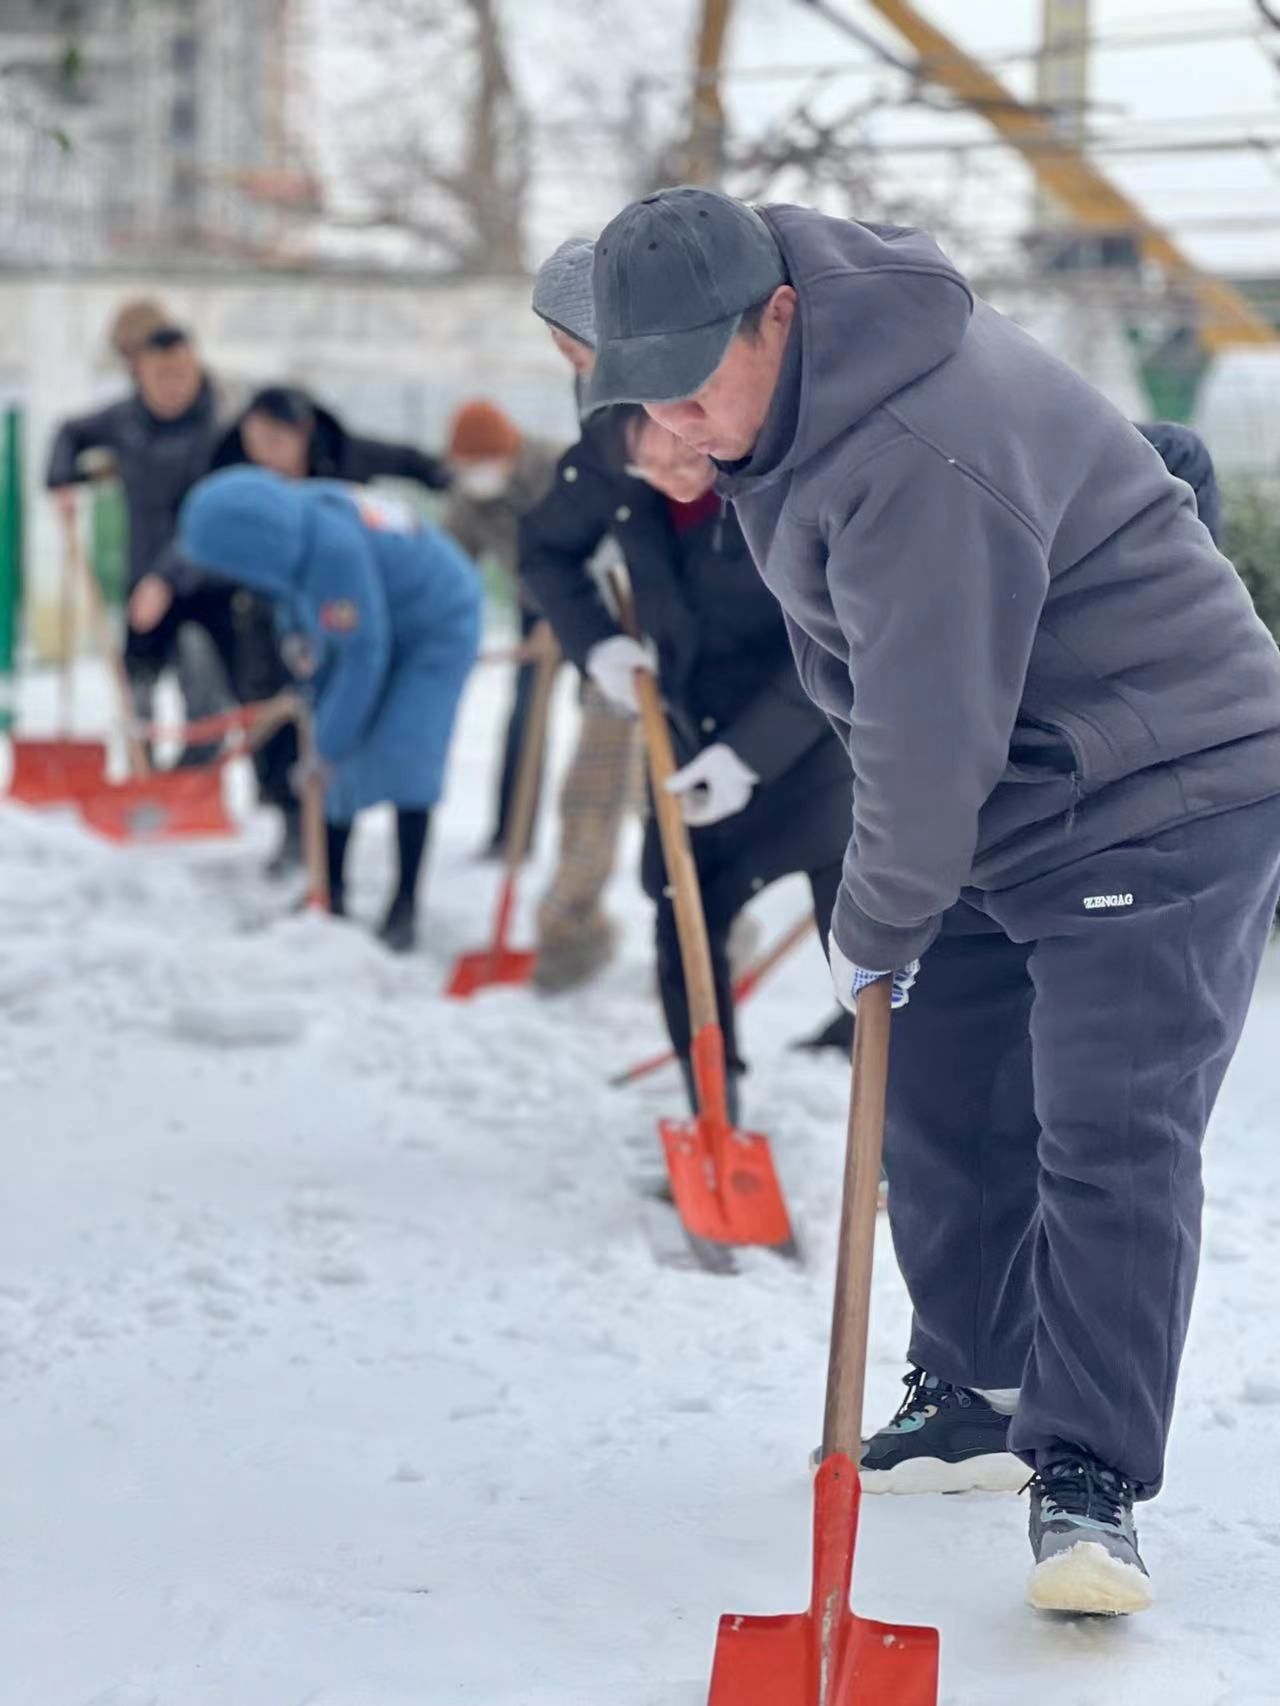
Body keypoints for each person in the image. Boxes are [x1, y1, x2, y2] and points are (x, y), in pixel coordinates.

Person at [584, 185, 1280, 1614]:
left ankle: (1086, 1470)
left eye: (694, 383)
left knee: (1107, 1123)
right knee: (945, 1099)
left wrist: (873, 913)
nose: (681, 423)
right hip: (1014, 788)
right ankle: (973, 1384)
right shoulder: (791, 397)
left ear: (779, 313)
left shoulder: (908, 437)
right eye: (644, 395)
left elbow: (926, 728)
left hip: (1162, 780)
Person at [523, 396, 851, 1120]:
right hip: (689, 731)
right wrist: (598, 644)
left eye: (682, 450)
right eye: (647, 461)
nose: (671, 474)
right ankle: (713, 1106)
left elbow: (836, 639)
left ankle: (901, 1126)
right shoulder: (609, 461)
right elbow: (542, 549)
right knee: (682, 914)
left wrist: (748, 758)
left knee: (863, 943)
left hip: (814, 736)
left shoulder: (787, 475)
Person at [176, 467, 481, 952]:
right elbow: (311, 617)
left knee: (406, 752)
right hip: (378, 621)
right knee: (338, 752)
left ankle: (404, 907)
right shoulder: (296, 533)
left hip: (435, 623)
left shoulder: (332, 551)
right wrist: (307, 669)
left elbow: (362, 655)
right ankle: (331, 894)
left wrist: (324, 747)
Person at [46, 304, 239, 754]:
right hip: (142, 576)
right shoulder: (126, 420)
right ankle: (143, 770)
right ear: (140, 374)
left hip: (203, 580)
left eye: (180, 376)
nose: (170, 388)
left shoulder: (220, 431)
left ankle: (198, 778)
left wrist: (166, 579)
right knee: (139, 687)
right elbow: (69, 433)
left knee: (202, 679)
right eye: (159, 377)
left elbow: (207, 522)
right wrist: (61, 478)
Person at [444, 400, 563, 860]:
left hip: (600, 600)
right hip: (532, 608)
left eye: (484, 462)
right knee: (524, 719)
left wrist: (563, 616)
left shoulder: (553, 469)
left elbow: (593, 543)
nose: (477, 473)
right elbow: (452, 566)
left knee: (610, 721)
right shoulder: (468, 497)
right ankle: (510, 835)